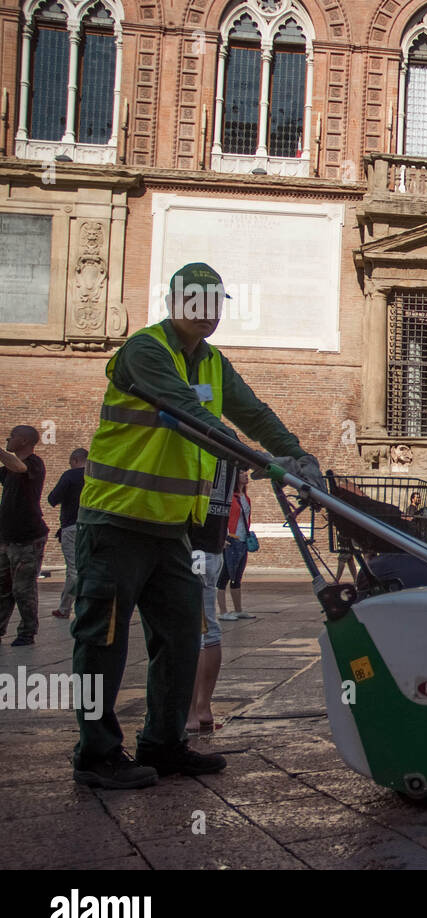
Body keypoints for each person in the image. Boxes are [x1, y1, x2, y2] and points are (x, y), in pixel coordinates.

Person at [72, 261, 325, 789]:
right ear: (174, 302)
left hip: (171, 532)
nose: (205, 314)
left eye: (214, 304)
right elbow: (189, 416)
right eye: (195, 302)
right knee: (104, 639)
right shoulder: (145, 352)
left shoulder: (212, 362)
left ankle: (164, 744)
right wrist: (264, 463)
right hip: (117, 521)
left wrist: (296, 454)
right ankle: (96, 753)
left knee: (183, 636)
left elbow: (251, 412)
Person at [187, 458, 236, 734]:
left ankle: (189, 712)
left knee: (190, 630)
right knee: (209, 627)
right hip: (214, 547)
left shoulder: (194, 434)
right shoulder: (227, 441)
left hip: (192, 545)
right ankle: (204, 708)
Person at [0, 425, 48, 646]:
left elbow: (19, 468)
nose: (8, 439)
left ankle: (27, 632)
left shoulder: (34, 463)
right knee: (3, 587)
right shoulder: (8, 468)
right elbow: (10, 467)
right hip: (6, 538)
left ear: (24, 441)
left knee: (23, 588)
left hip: (28, 537)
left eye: (12, 436)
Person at [46, 448, 87, 620]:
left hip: (71, 526)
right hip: (90, 526)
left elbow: (52, 498)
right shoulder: (95, 476)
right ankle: (65, 606)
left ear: (75, 460)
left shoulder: (70, 476)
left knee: (73, 569)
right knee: (84, 566)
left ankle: (78, 608)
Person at [217, 470, 254, 621]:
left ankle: (238, 609)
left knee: (237, 576)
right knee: (225, 575)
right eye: (242, 473)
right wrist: (223, 537)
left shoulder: (246, 498)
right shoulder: (231, 498)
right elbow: (223, 519)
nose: (246, 475)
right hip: (231, 539)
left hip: (243, 540)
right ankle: (223, 611)